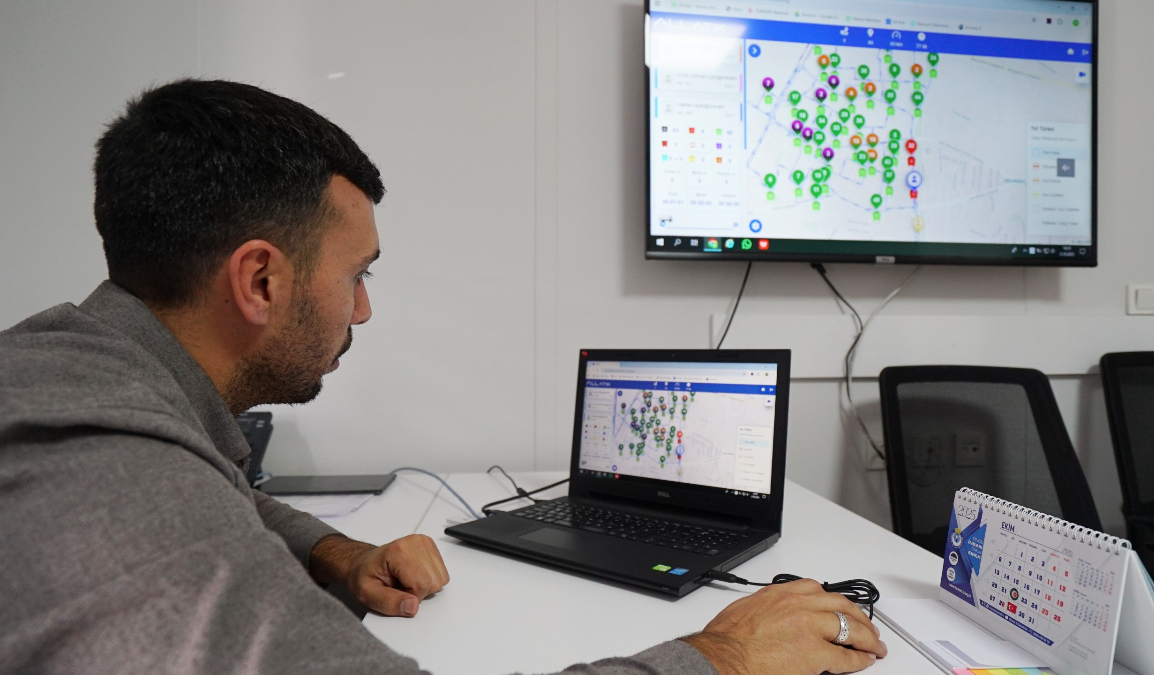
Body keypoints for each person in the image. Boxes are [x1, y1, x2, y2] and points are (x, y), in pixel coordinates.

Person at [0, 79, 887, 675]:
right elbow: (183, 517)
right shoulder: (117, 483)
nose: (363, 310)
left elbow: (227, 498)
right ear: (260, 279)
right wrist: (723, 655)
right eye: (358, 276)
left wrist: (339, 555)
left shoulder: (90, 377)